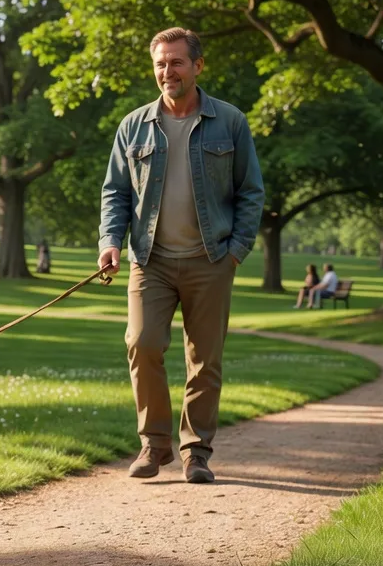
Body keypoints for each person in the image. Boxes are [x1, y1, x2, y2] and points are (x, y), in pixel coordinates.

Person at [97, 27, 264, 485]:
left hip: (211, 259)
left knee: (204, 360)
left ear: (197, 66)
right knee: (142, 342)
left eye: (175, 62)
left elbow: (251, 191)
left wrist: (236, 252)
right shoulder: (133, 125)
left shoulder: (230, 122)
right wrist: (110, 241)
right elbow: (115, 193)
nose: (166, 71)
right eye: (159, 63)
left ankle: (196, 451)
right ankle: (154, 444)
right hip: (148, 259)